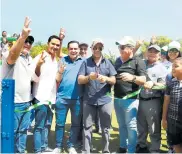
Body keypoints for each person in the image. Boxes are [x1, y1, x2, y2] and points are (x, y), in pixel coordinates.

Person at [2, 17, 35, 153]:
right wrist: (23, 36)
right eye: (25, 42)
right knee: (10, 134)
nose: (27, 44)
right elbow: (13, 54)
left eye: (30, 42)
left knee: (22, 133)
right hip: (12, 103)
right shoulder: (8, 55)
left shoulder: (29, 58)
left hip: (27, 102)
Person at [78, 38, 117, 153]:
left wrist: (106, 78)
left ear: (102, 49)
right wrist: (89, 77)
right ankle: (86, 151)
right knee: (87, 128)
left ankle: (105, 150)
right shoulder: (85, 62)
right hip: (89, 100)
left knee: (105, 128)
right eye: (95, 47)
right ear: (91, 48)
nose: (97, 50)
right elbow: (80, 80)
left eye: (99, 48)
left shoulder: (108, 62)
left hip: (105, 100)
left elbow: (114, 80)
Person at [30, 34, 63, 153]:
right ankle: (38, 150)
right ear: (48, 44)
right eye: (53, 44)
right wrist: (39, 64)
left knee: (48, 125)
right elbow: (34, 76)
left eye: (57, 45)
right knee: (39, 126)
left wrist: (60, 72)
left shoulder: (56, 61)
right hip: (40, 97)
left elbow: (56, 80)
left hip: (51, 98)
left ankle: (44, 147)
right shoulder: (41, 56)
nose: (55, 46)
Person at [114, 36, 147, 153]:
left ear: (131, 48)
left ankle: (131, 151)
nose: (120, 49)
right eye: (119, 47)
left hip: (131, 100)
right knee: (121, 125)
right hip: (117, 99)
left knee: (131, 126)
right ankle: (123, 147)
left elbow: (143, 79)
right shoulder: (118, 61)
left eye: (122, 47)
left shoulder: (138, 61)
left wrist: (132, 77)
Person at [136, 45, 168, 153]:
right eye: (150, 51)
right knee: (141, 126)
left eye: (155, 52)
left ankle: (154, 149)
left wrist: (153, 83)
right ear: (147, 52)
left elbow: (164, 85)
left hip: (153, 100)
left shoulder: (162, 68)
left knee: (154, 127)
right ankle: (141, 145)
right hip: (140, 99)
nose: (152, 53)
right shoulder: (141, 64)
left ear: (159, 55)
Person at [54, 40, 83, 154]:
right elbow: (57, 79)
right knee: (59, 124)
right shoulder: (62, 60)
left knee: (75, 125)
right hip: (62, 98)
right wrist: (60, 72)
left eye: (75, 48)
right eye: (71, 48)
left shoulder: (84, 62)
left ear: (79, 50)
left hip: (77, 99)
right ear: (68, 49)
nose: (73, 50)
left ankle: (71, 146)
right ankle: (58, 146)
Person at [162, 57, 182, 153]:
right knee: (176, 143)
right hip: (173, 120)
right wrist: (164, 118)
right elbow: (166, 101)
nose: (173, 68)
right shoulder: (171, 83)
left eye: (176, 66)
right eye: (172, 66)